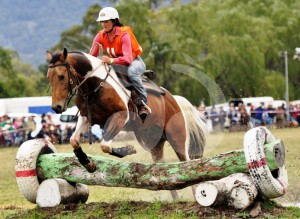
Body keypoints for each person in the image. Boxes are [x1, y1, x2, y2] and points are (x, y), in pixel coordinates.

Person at [89, 7, 150, 120]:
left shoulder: (124, 34)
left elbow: (127, 59)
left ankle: (143, 104)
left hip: (135, 62)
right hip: (117, 65)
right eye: (102, 21)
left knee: (131, 73)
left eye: (106, 21)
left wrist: (110, 60)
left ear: (114, 21)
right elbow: (91, 56)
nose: (103, 24)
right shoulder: (100, 35)